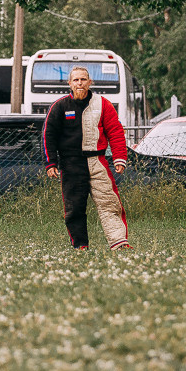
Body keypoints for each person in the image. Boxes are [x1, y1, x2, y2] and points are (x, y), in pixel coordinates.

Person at [42, 66, 131, 250]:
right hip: (71, 163)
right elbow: (48, 135)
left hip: (97, 161)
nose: (80, 83)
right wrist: (50, 163)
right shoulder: (59, 106)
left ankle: (119, 243)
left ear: (90, 82)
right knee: (74, 208)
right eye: (76, 80)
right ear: (69, 84)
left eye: (83, 79)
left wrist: (119, 157)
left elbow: (115, 131)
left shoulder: (102, 104)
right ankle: (81, 246)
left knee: (110, 203)